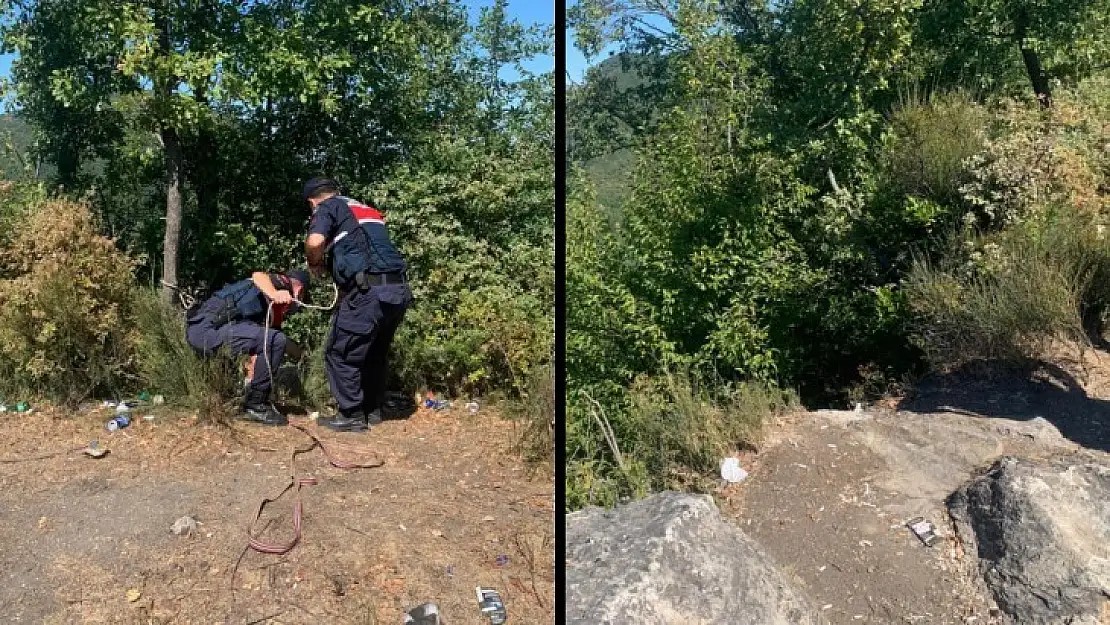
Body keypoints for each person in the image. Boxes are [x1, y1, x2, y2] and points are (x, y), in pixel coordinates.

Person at [303, 177, 412, 432]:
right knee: (374, 351)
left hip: (369, 292)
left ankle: (351, 415)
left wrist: (314, 262)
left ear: (312, 202)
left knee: (339, 352)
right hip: (397, 291)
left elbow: (315, 242)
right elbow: (367, 252)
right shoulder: (365, 209)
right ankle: (372, 410)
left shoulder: (327, 207)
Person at [185, 269, 310, 425]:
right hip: (207, 331)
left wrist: (302, 356)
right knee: (274, 340)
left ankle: (234, 400)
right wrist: (275, 293)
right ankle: (256, 404)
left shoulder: (270, 313)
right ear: (300, 289)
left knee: (272, 340)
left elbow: (271, 346)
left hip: (206, 331)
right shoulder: (282, 283)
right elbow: (258, 276)